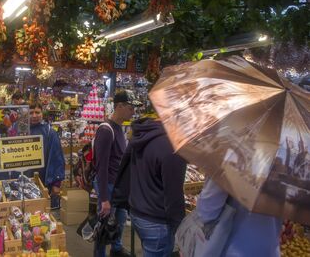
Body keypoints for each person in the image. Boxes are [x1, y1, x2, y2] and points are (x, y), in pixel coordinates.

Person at [115, 117, 187, 256]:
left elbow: (128, 168)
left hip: (137, 212)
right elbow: (174, 195)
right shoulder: (172, 147)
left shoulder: (142, 135)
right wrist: (181, 232)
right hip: (157, 221)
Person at [93, 90, 141, 257]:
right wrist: (104, 198)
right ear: (119, 106)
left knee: (117, 226)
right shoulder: (106, 130)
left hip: (118, 188)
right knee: (103, 230)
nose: (133, 111)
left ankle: (116, 250)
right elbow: (102, 167)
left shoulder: (119, 129)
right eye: (130, 107)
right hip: (109, 187)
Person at [196, 179, 282, 256]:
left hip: (232, 247)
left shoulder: (232, 163)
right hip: (269, 249)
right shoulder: (286, 168)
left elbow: (207, 212)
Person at [18, 102, 65, 209]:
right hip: (23, 179)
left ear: (42, 113)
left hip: (43, 180)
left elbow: (57, 157)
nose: (34, 116)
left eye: (37, 112)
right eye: (31, 113)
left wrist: (56, 183)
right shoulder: (20, 131)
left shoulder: (50, 133)